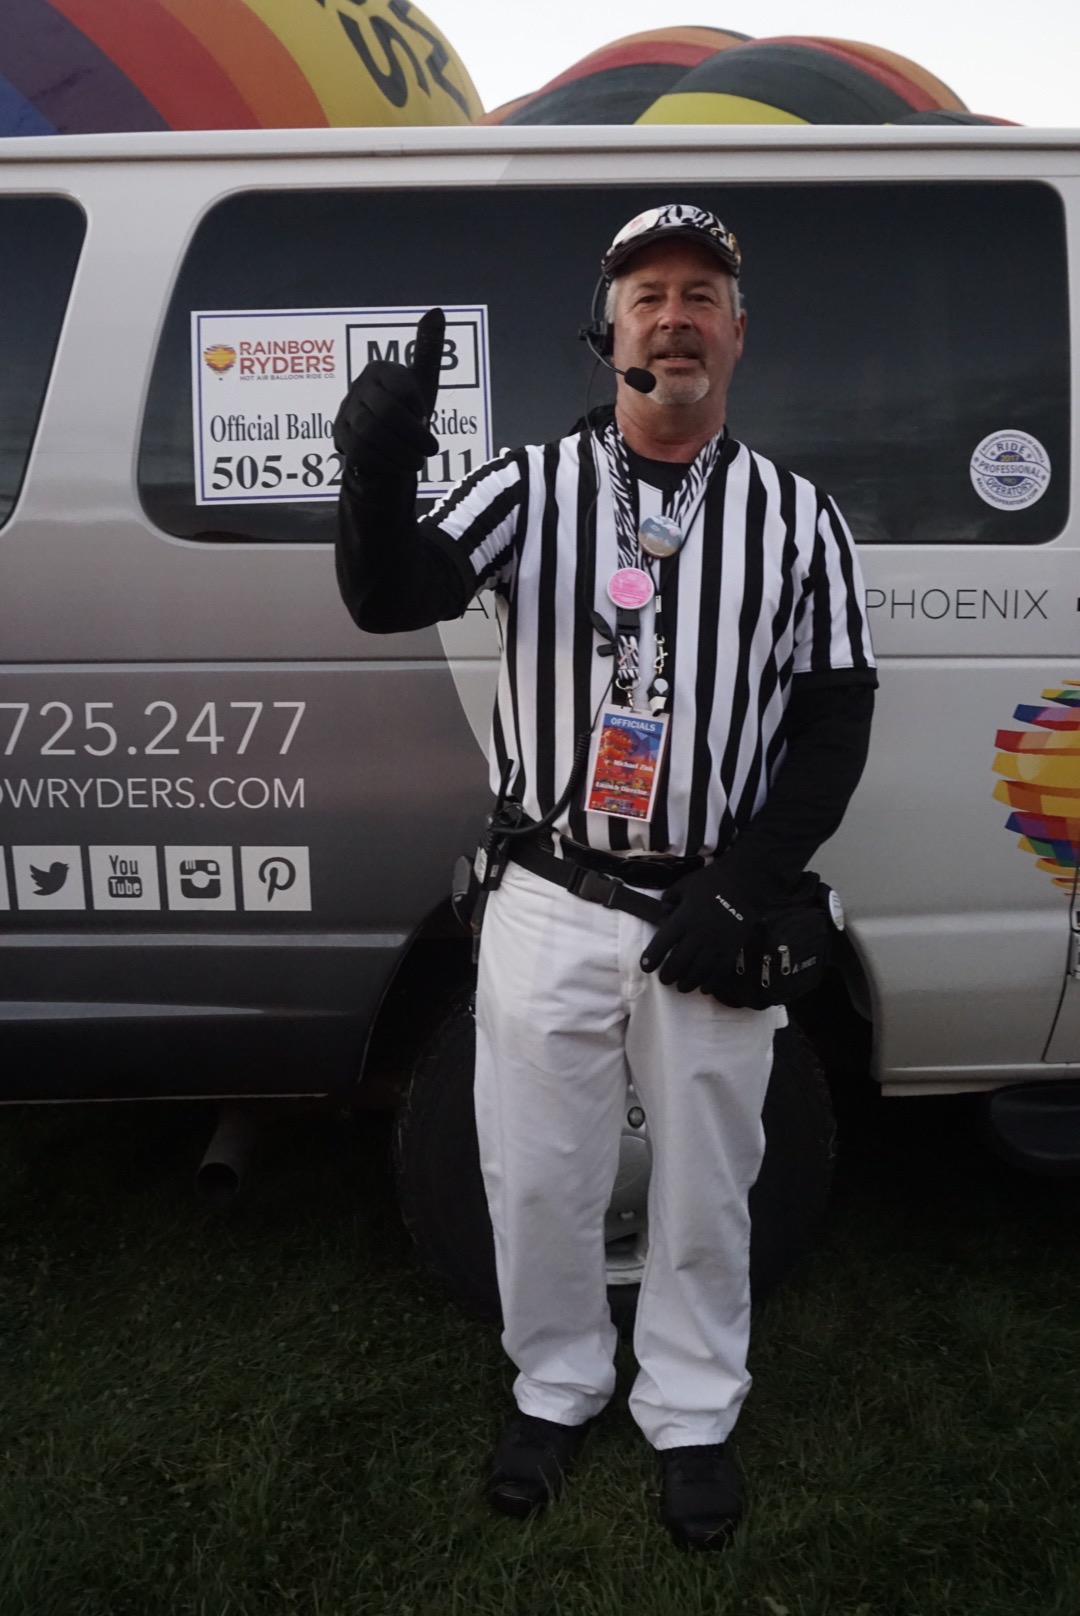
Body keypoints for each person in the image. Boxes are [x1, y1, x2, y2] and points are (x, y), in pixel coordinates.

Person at [333, 202, 877, 1550]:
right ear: (609, 330)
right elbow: (390, 593)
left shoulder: (799, 518)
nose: (674, 318)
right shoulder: (527, 486)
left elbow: (836, 718)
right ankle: (557, 1387)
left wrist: (746, 884)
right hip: (552, 894)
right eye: (649, 296)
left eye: (701, 296)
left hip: (711, 911)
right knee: (537, 1172)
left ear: (738, 335)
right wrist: (376, 471)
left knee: (707, 1180)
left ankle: (692, 1410)